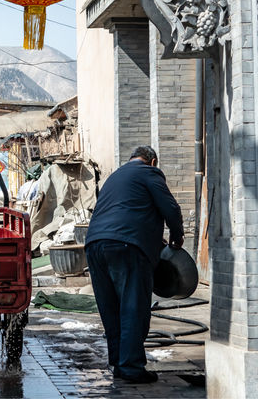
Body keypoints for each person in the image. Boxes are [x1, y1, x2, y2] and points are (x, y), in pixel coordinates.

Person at [84, 145, 184, 384]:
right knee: (133, 307)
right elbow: (170, 207)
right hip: (127, 247)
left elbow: (126, 210)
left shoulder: (115, 176)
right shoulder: (149, 173)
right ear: (153, 162)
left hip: (94, 245)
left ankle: (118, 363)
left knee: (111, 308)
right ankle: (131, 367)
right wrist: (176, 237)